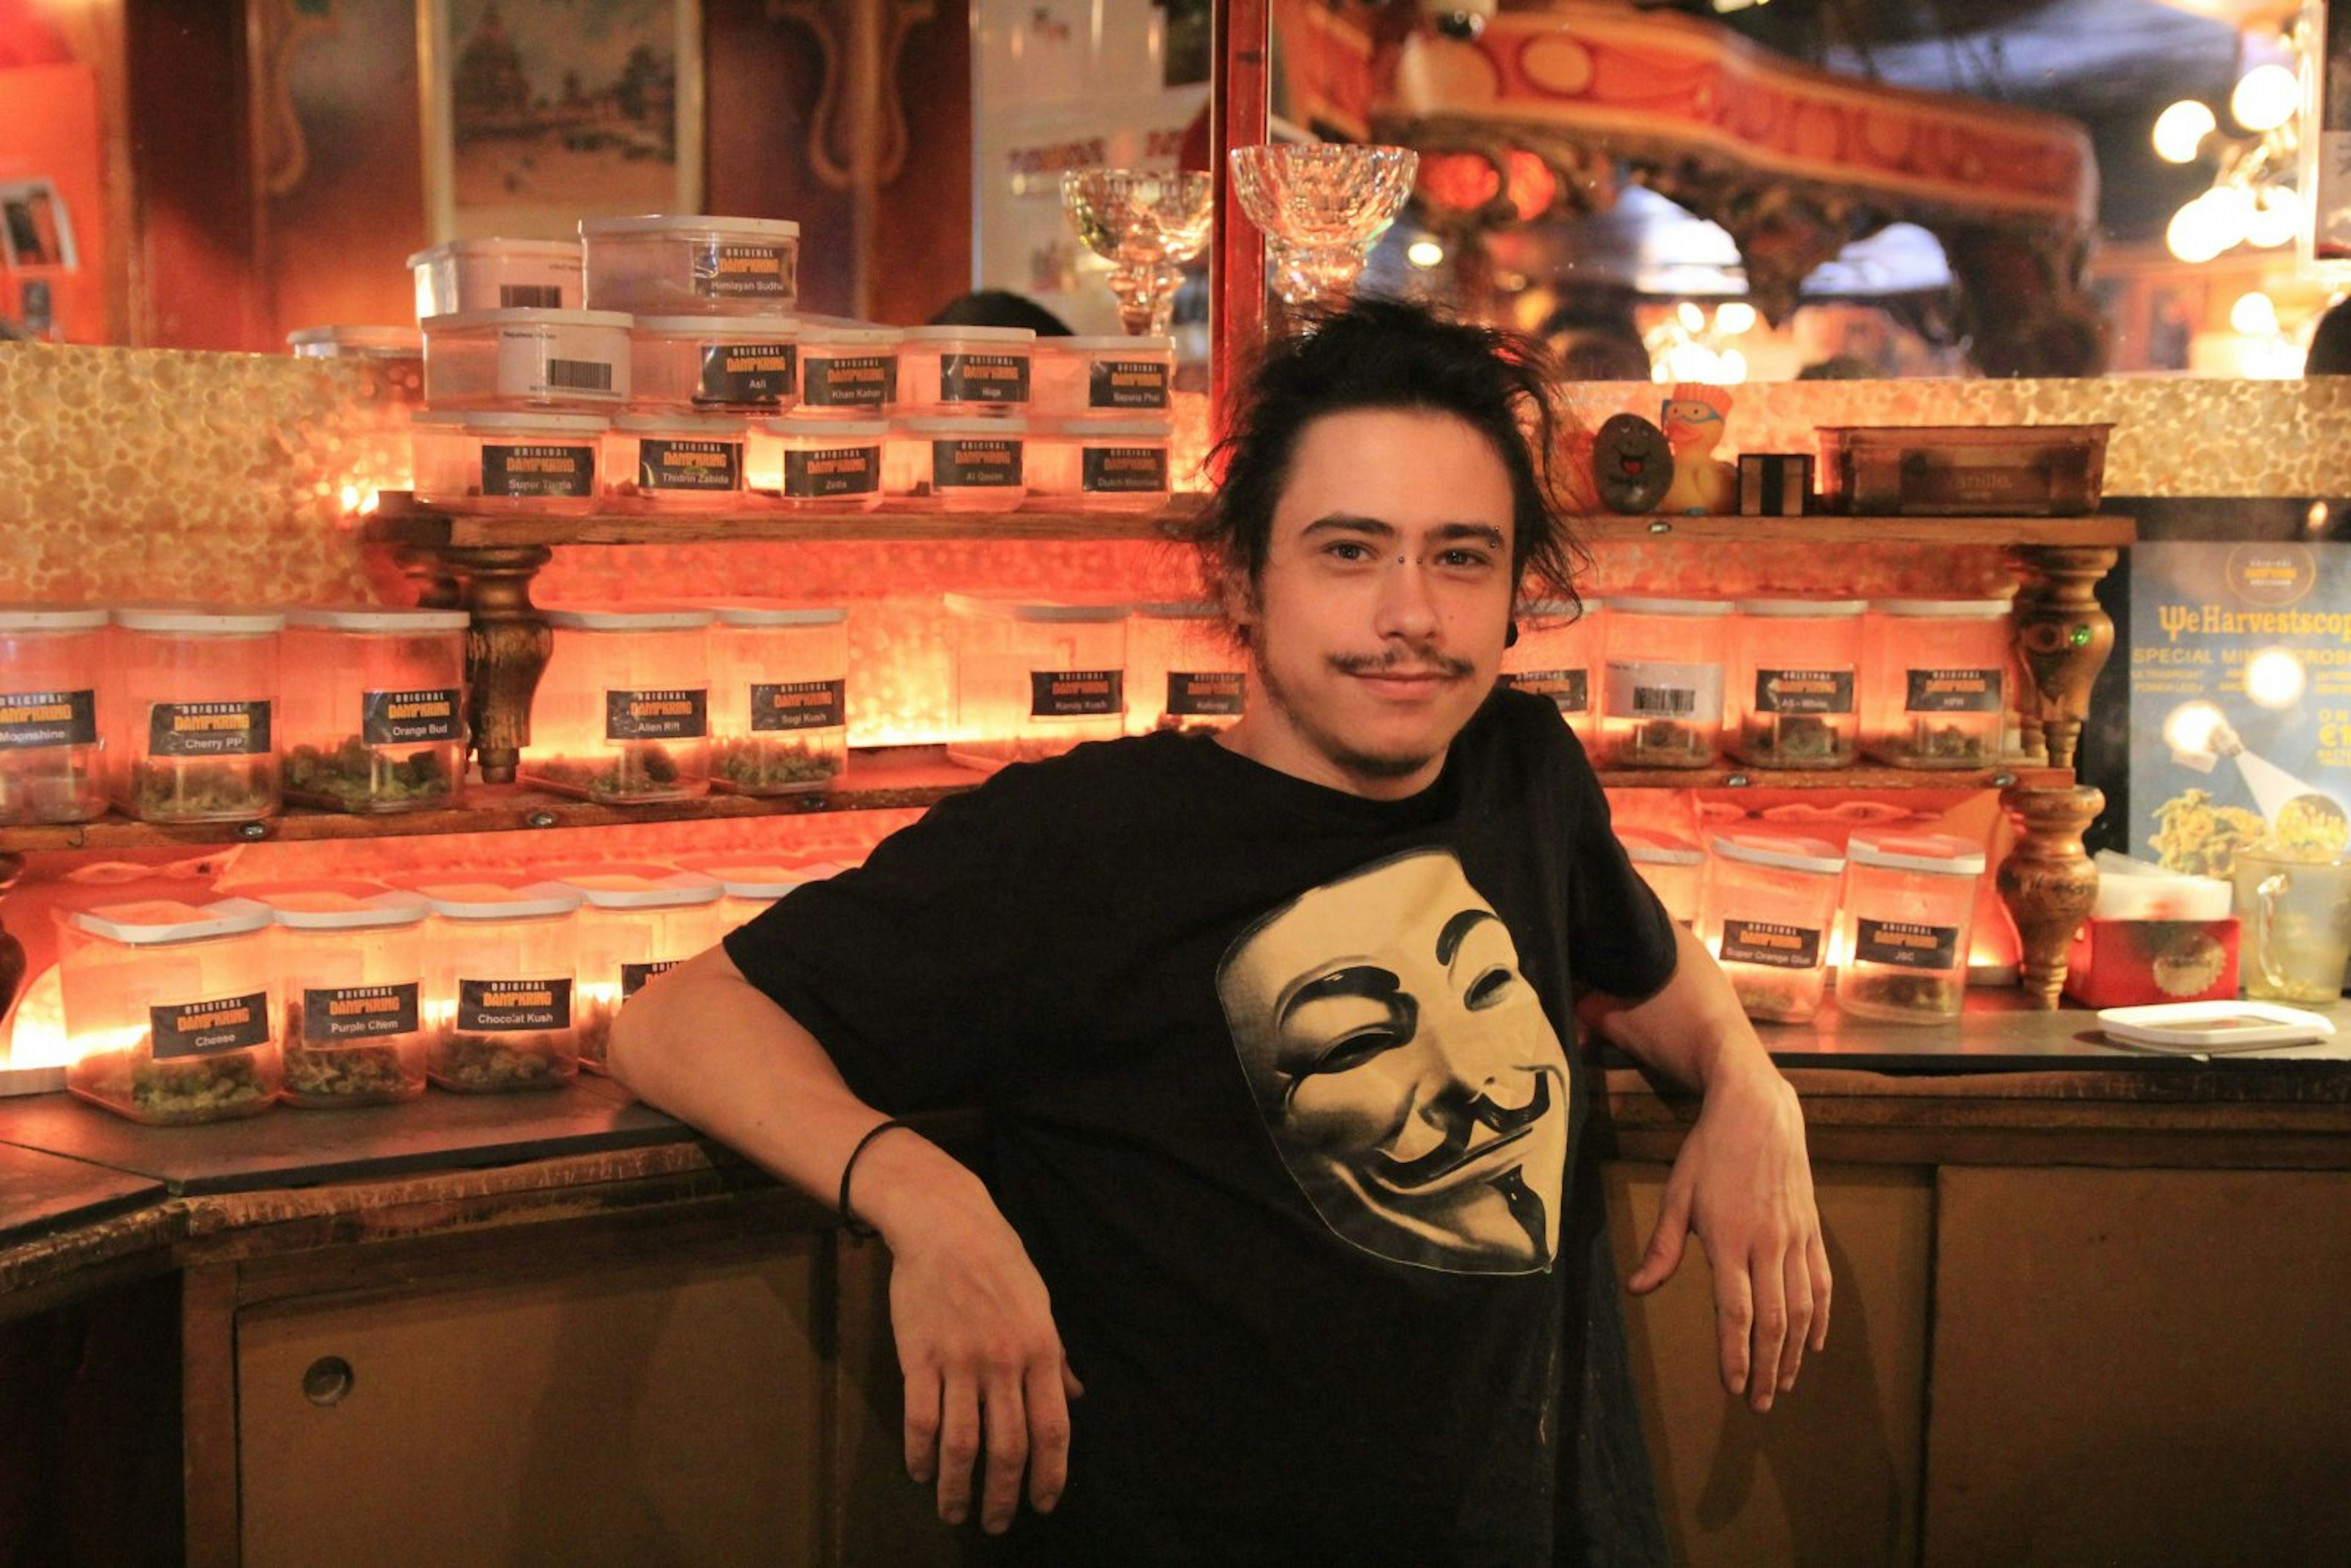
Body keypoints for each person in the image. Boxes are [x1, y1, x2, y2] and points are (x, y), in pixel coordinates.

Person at [610, 297, 1830, 1564]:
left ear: (1519, 590)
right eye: (1350, 552)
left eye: (1462, 557)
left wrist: (1749, 1085)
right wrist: (927, 1198)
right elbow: (678, 1022)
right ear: (1243, 581)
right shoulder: (1087, 838)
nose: (1410, 614)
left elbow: (1637, 958)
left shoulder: (1518, 769)